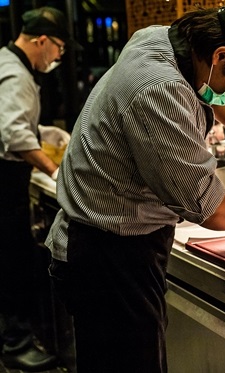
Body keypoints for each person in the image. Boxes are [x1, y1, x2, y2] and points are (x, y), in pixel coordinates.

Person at [45, 0, 225, 371]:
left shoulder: (164, 41)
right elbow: (203, 202)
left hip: (106, 244)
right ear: (222, 55)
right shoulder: (159, 89)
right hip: (110, 258)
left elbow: (206, 85)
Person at [0, 6, 74, 371]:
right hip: (3, 182)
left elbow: (15, 123)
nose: (59, 56)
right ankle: (16, 345)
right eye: (58, 47)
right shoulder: (16, 73)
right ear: (42, 40)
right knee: (11, 260)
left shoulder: (6, 63)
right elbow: (13, 136)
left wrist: (44, 133)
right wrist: (55, 170)